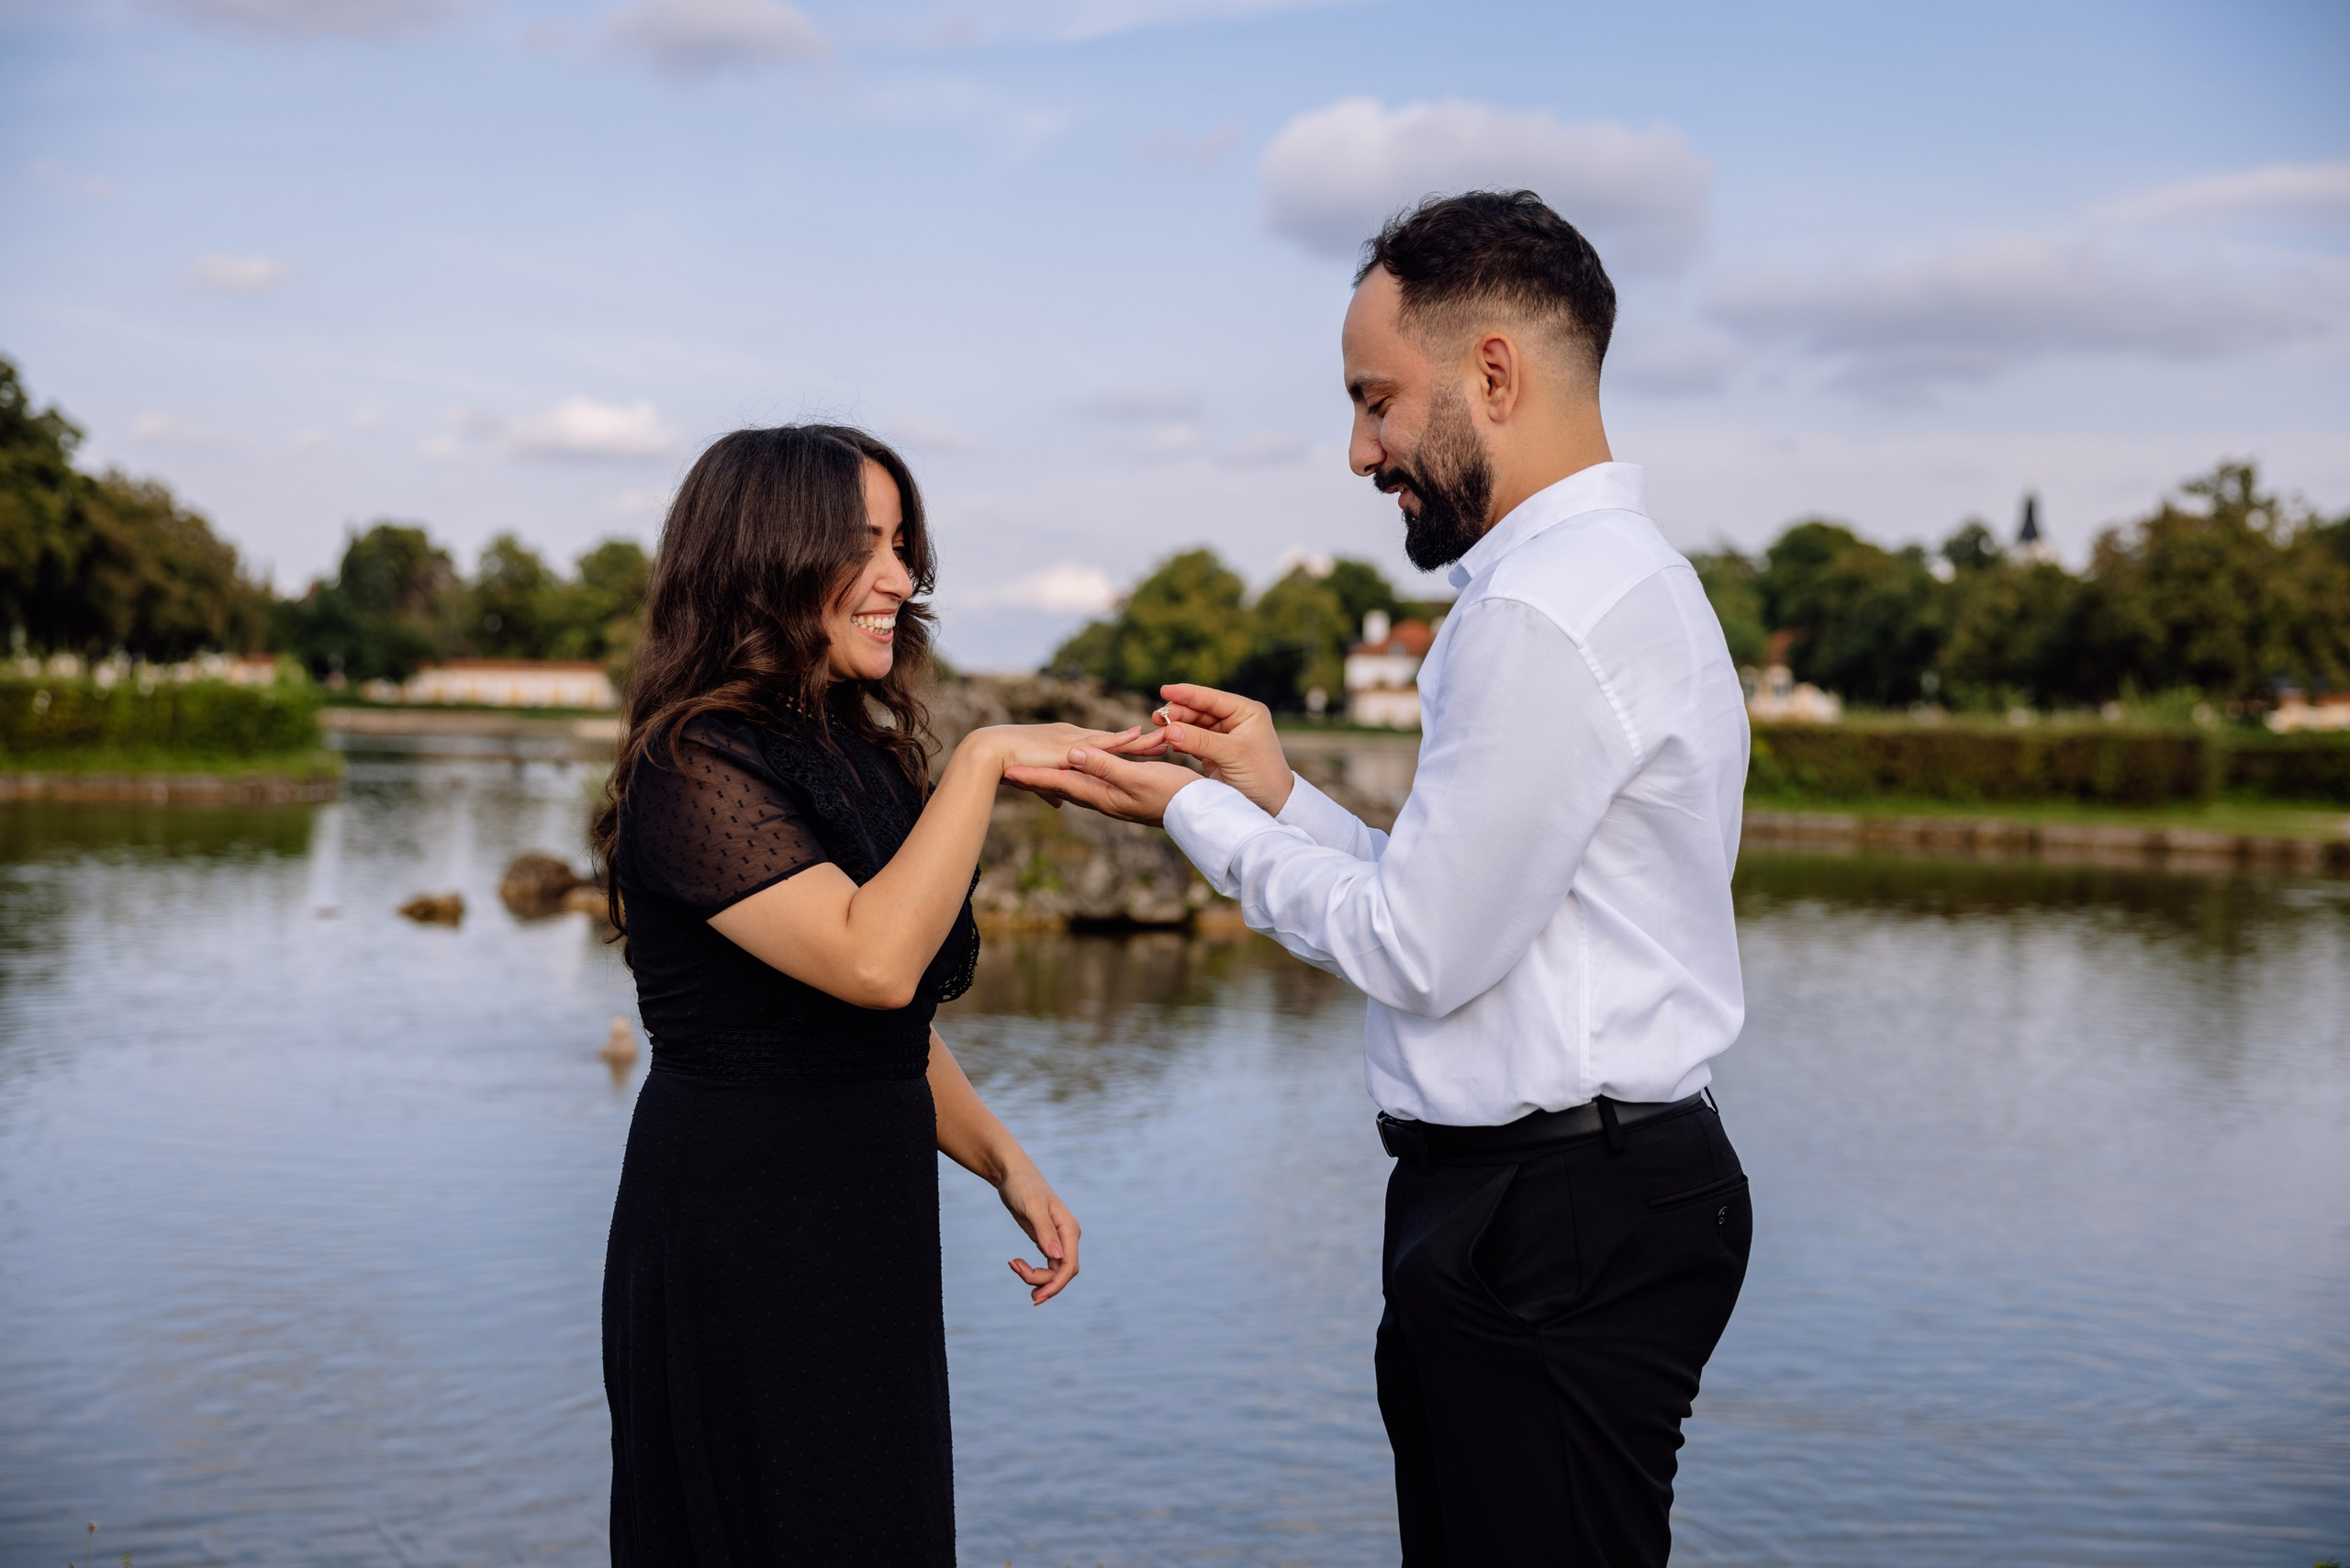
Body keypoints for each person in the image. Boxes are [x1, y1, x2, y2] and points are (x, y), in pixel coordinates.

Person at [1009, 192, 1754, 1566]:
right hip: (1578, 1194)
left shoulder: (1537, 614)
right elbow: (1465, 909)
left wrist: (1192, 814)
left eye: (1376, 402)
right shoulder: (1621, 578)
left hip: (1552, 1216)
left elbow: (1419, 953)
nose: (1359, 453)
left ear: (1492, 373)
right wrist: (1278, 796)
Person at [591, 425, 1136, 1565]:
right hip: (739, 1236)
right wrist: (983, 760)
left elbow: (885, 1025)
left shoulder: (859, 752)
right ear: (767, 557)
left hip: (866, 1231)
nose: (900, 577)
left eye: (902, 545)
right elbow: (873, 960)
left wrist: (1006, 1164)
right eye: (865, 546)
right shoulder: (692, 763)